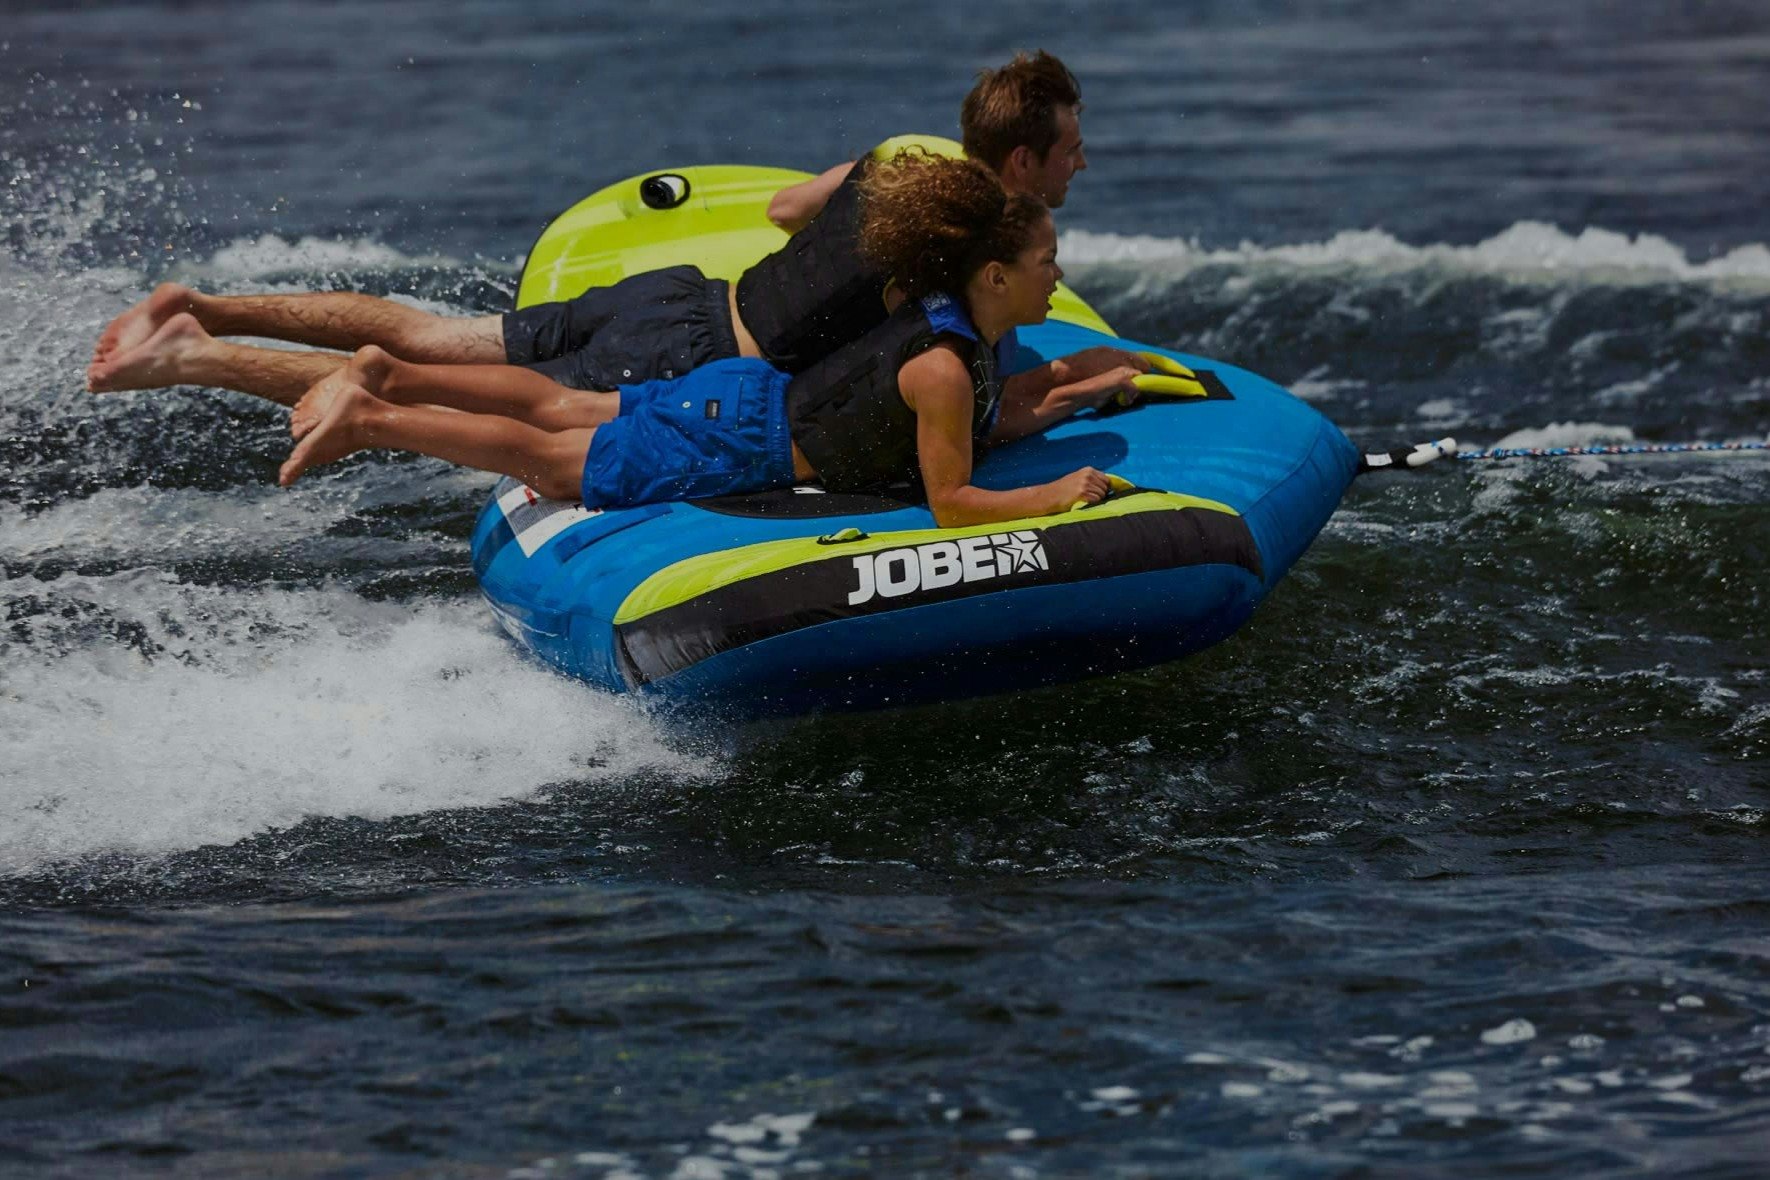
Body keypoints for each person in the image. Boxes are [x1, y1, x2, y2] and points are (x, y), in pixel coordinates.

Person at [86, 50, 1113, 407]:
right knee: (417, 390)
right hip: (686, 362)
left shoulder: (900, 156)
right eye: (1069, 148)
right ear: (1021, 162)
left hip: (678, 295)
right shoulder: (972, 251)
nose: (1082, 163)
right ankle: (192, 359)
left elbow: (784, 208)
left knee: (427, 334)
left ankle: (205, 303)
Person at [277, 152, 1143, 528]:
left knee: (563, 405)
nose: (1058, 276)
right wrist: (1054, 494)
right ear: (994, 276)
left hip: (743, 391)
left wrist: (1086, 383)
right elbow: (952, 502)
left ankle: (396, 372)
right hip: (742, 439)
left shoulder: (942, 316)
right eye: (1046, 262)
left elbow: (992, 416)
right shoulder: (946, 368)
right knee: (554, 460)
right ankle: (372, 419)